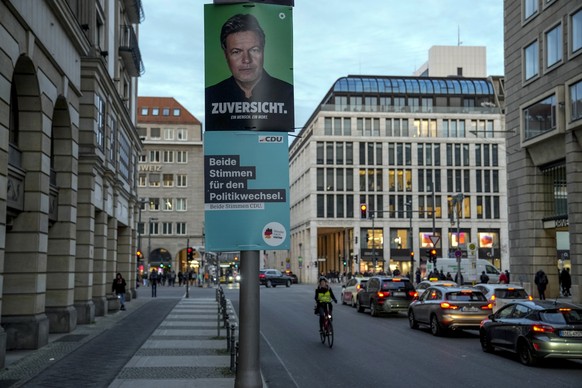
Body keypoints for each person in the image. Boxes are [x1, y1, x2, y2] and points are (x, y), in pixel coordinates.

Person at [205, 13, 294, 132]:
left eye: (254, 50)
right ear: (226, 55)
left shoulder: (287, 93)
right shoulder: (212, 95)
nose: (246, 60)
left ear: (263, 50)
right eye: (236, 52)